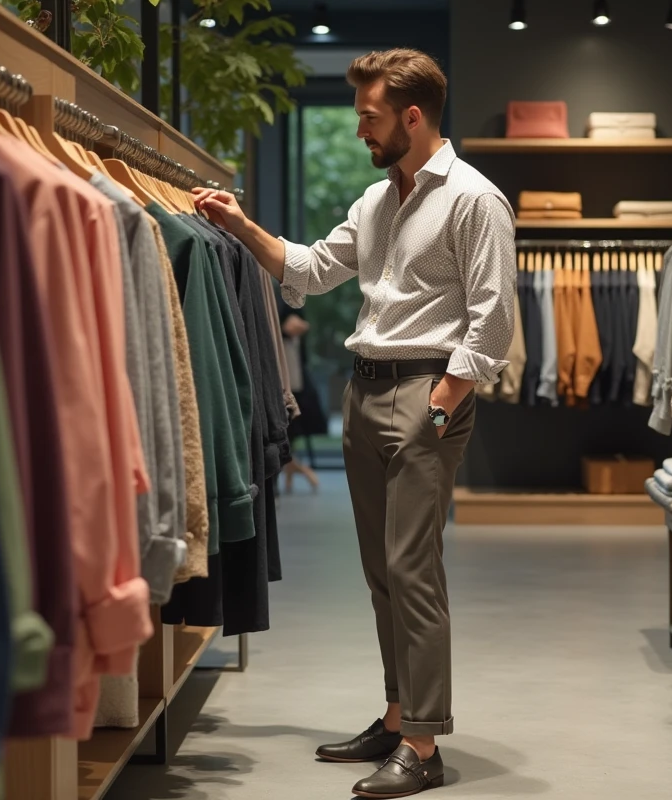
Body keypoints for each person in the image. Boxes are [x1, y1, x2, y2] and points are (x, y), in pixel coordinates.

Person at [192, 47, 516, 799]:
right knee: (381, 574)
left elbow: (493, 321)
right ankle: (398, 716)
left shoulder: (474, 199)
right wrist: (240, 225)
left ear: (412, 116)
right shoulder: (376, 204)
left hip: (426, 397)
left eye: (369, 119)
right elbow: (306, 271)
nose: (362, 132)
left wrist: (441, 403)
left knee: (413, 572)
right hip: (365, 395)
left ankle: (426, 746)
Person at [278, 297, 326, 493]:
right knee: (287, 430)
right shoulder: (278, 298)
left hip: (294, 376)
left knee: (292, 430)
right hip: (284, 375)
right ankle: (298, 469)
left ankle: (292, 471)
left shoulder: (292, 299)